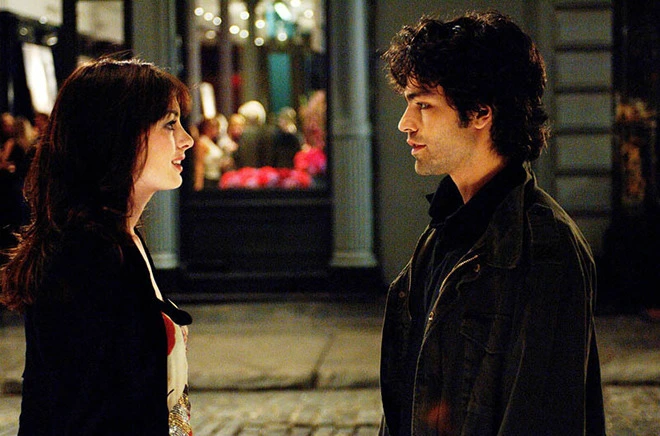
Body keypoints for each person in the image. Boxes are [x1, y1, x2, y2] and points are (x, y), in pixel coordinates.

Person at [379, 11, 605, 435]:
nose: (405, 124)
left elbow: (542, 420)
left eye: (424, 105)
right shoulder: (442, 233)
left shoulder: (545, 249)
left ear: (481, 112)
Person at [0, 57, 195, 435]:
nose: (186, 139)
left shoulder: (121, 241)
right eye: (170, 124)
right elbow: (80, 412)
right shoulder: (88, 256)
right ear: (119, 136)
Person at [193, 116, 222, 190]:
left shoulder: (212, 142)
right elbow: (199, 164)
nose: (217, 131)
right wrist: (198, 184)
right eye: (215, 128)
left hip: (216, 177)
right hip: (207, 179)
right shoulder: (202, 142)